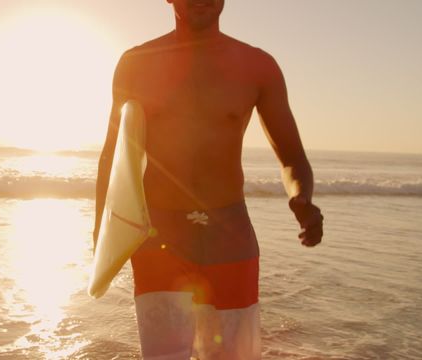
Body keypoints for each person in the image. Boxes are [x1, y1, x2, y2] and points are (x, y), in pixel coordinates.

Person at [93, 0, 324, 358]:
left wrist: (301, 198)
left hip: (229, 235)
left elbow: (292, 157)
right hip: (160, 238)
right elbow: (113, 154)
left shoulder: (257, 66)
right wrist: (102, 232)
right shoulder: (136, 63)